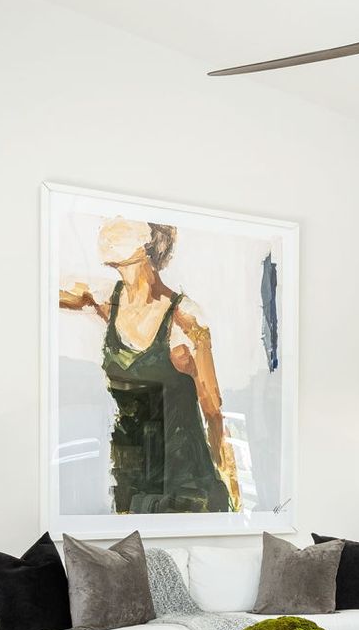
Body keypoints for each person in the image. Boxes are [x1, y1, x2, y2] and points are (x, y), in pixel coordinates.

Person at [60, 217, 239, 513]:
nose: (109, 226)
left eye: (125, 223)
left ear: (149, 241)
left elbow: (213, 412)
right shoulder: (108, 300)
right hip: (130, 480)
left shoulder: (185, 319)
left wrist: (235, 493)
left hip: (184, 485)